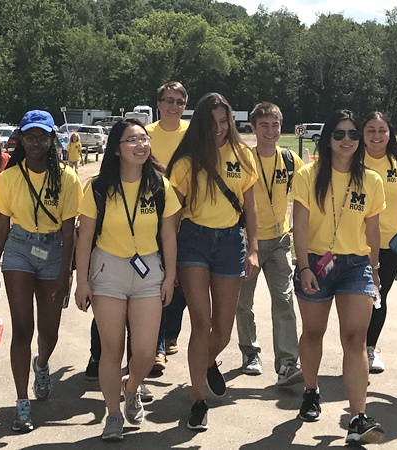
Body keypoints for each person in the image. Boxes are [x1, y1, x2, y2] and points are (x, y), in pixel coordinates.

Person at [74, 119, 181, 442]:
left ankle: (131, 386)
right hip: (108, 270)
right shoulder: (97, 186)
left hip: (149, 269)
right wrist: (82, 282)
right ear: (117, 150)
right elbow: (85, 237)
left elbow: (169, 234)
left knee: (146, 351)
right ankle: (112, 415)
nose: (141, 145)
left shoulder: (161, 185)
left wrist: (170, 278)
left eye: (144, 139)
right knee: (111, 349)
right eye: (132, 140)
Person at [166, 92, 259, 431]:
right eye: (212, 122)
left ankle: (205, 364)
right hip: (194, 242)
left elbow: (250, 207)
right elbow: (171, 215)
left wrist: (253, 248)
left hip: (231, 242)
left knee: (223, 329)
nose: (219, 129)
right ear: (201, 123)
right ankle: (197, 401)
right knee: (201, 323)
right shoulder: (186, 160)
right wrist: (170, 260)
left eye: (224, 121)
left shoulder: (242, 155)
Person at [291, 110, 386, 444]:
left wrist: (374, 271)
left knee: (354, 338)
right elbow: (299, 227)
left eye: (353, 135)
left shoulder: (371, 180)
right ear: (327, 139)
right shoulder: (307, 175)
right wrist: (303, 267)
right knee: (314, 332)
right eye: (339, 134)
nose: (347, 140)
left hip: (356, 266)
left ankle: (358, 417)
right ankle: (311, 390)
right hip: (315, 263)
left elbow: (372, 232)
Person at [0, 110, 82, 433]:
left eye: (42, 137)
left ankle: (41, 364)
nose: (36, 143)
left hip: (54, 249)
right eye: (29, 137)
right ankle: (21, 402)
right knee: (22, 328)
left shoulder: (67, 178)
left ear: (53, 139)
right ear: (21, 140)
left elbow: (70, 231)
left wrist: (67, 272)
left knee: (49, 331)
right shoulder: (9, 178)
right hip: (19, 249)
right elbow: (2, 226)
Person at [235, 102, 304, 385]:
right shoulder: (242, 159)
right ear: (253, 129)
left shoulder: (289, 159)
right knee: (243, 302)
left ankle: (287, 363)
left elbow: (306, 192)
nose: (270, 131)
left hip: (279, 241)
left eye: (275, 125)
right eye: (263, 125)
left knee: (285, 300)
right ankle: (250, 352)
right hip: (245, 240)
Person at [361, 112, 397, 374]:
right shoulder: (354, 160)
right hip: (358, 243)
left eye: (382, 130)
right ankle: (355, 348)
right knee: (359, 298)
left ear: (390, 133)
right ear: (362, 133)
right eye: (370, 130)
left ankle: (369, 349)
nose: (376, 136)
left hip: (393, 244)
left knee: (379, 296)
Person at [146, 81, 191, 371]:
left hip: (188, 216)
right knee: (158, 279)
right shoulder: (147, 135)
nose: (174, 106)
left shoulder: (193, 134)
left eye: (179, 101)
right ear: (159, 104)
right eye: (168, 100)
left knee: (182, 281)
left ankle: (171, 333)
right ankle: (157, 346)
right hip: (152, 215)